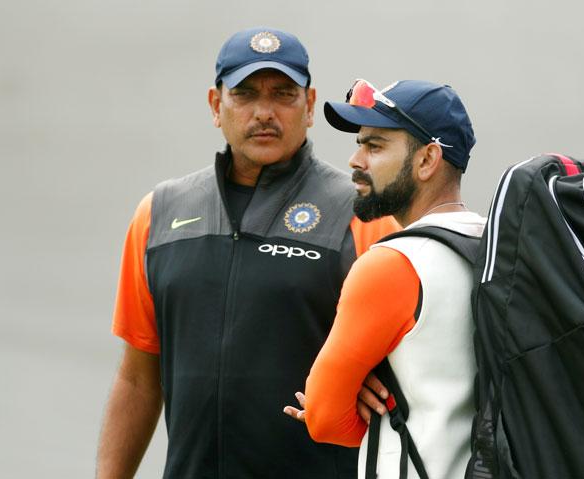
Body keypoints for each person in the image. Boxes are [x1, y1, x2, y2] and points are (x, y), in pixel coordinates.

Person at [96, 28, 398, 479]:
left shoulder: (362, 216)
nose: (264, 112)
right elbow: (138, 377)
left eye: (283, 95)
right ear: (217, 106)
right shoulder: (157, 214)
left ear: (310, 106)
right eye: (245, 94)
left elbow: (411, 369)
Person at [283, 79, 485, 478]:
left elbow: (323, 419)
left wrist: (367, 406)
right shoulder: (497, 245)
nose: (356, 160)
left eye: (375, 146)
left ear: (427, 160)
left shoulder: (392, 263)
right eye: (360, 144)